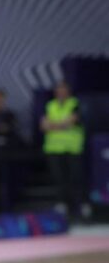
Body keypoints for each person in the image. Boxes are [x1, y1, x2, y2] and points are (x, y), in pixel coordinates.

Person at [40, 81, 89, 220]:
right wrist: (62, 124)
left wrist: (53, 125)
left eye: (63, 89)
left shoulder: (75, 103)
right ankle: (62, 205)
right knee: (59, 179)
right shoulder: (50, 105)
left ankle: (81, 205)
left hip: (73, 148)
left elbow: (71, 121)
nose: (61, 92)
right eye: (58, 89)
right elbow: (43, 126)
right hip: (54, 148)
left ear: (68, 91)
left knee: (76, 178)